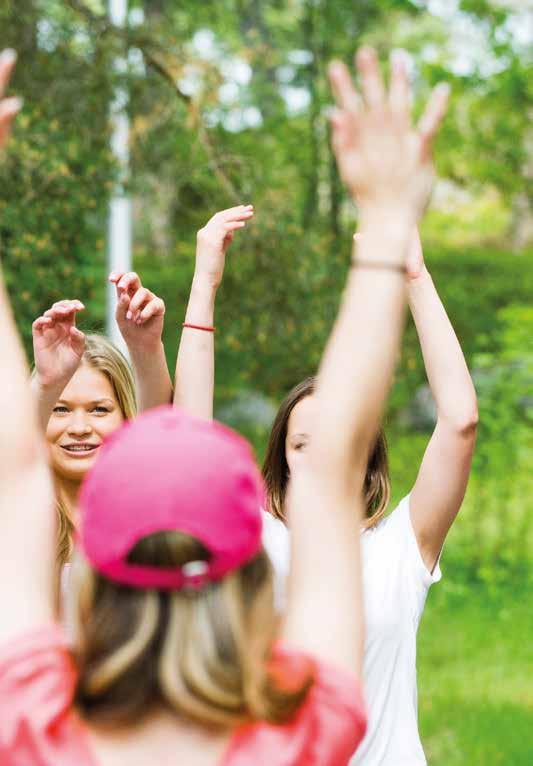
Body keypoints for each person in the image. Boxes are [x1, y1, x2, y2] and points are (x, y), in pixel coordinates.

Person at [0, 44, 447, 763]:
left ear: (90, 589)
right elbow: (332, 477)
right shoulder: (301, 734)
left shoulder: (34, 726)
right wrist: (387, 225)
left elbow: (18, 472)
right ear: (252, 586)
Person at [174, 50, 465, 766]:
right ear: (277, 464)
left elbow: (458, 419)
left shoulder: (402, 549)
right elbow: (186, 444)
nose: (321, 458)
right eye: (303, 446)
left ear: (366, 466)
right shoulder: (250, 549)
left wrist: (414, 273)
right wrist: (203, 288)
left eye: (339, 445)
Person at [31, 272, 170, 566]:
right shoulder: (15, 515)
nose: (79, 428)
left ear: (126, 418)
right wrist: (45, 384)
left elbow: (161, 428)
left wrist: (147, 349)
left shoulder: (147, 517)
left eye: (99, 410)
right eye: (60, 409)